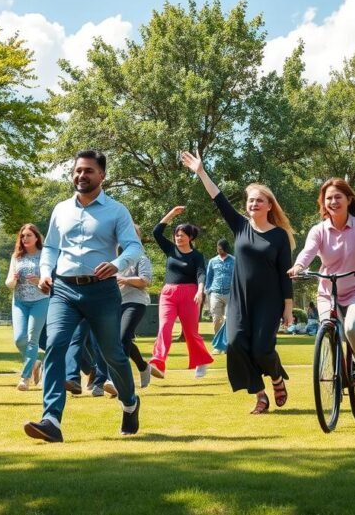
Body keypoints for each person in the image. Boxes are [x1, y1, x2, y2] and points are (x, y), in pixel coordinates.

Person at [23, 149, 142, 443]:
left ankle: (129, 402)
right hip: (63, 289)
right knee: (55, 345)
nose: (81, 175)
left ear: (102, 175)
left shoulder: (117, 211)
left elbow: (133, 246)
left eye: (88, 170)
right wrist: (46, 271)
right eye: (77, 170)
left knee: (113, 353)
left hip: (102, 291)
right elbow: (51, 247)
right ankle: (51, 420)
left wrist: (116, 264)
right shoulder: (61, 209)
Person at [181, 150, 295, 414]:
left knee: (262, 350)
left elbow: (284, 274)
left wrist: (288, 308)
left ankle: (277, 377)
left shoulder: (279, 236)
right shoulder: (240, 226)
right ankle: (260, 395)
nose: (253, 204)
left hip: (269, 301)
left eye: (259, 200)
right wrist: (201, 172)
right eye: (250, 200)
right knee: (234, 345)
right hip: (240, 300)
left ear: (269, 205)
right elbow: (218, 198)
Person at [289, 178, 355, 401]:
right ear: (323, 203)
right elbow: (308, 251)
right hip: (328, 292)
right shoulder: (319, 230)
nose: (333, 201)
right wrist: (298, 266)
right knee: (330, 331)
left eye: (338, 197)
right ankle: (339, 373)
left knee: (351, 328)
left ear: (348, 199)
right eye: (329, 198)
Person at [149, 206, 214, 379]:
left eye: (182, 235)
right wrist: (171, 214)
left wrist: (200, 291)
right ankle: (158, 363)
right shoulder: (170, 249)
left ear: (190, 237)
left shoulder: (197, 256)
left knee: (191, 332)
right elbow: (156, 232)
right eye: (176, 235)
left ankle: (201, 361)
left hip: (190, 295)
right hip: (168, 294)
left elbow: (201, 273)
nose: (178, 237)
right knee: (164, 327)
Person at [104, 225, 156, 397]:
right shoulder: (115, 259)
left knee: (122, 337)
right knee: (121, 339)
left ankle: (116, 380)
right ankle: (143, 366)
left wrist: (124, 279)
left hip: (136, 302)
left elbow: (145, 281)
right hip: (116, 303)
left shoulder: (141, 258)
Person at [5, 223, 49, 391]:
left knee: (32, 338)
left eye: (29, 235)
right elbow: (9, 283)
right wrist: (14, 279)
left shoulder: (45, 255)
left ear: (37, 237)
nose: (25, 238)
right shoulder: (17, 256)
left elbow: (50, 282)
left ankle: (25, 378)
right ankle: (35, 363)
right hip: (19, 302)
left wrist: (38, 281)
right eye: (22, 236)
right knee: (19, 339)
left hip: (40, 300)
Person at [204, 239, 235, 346]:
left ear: (226, 248)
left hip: (230, 294)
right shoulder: (212, 261)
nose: (219, 250)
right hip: (215, 293)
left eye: (221, 249)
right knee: (216, 319)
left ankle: (228, 343)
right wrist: (208, 290)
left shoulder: (234, 260)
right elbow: (209, 276)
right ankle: (218, 344)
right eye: (218, 248)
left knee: (229, 319)